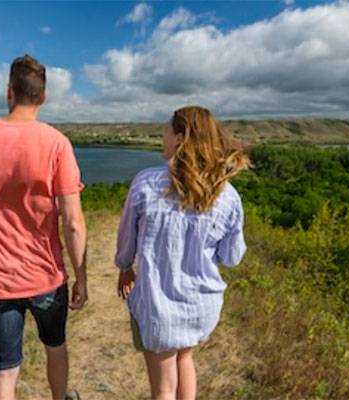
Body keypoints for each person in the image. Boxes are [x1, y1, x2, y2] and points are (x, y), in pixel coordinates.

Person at [0, 54, 87, 400]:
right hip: (47, 277)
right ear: (43, 97)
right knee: (55, 346)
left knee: (6, 369)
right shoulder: (57, 143)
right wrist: (81, 276)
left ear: (8, 92)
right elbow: (72, 221)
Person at [114, 106, 249, 400]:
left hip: (157, 304)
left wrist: (125, 266)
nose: (162, 137)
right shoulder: (226, 193)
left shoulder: (146, 183)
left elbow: (127, 237)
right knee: (185, 358)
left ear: (179, 137)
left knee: (163, 387)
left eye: (165, 130)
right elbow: (231, 257)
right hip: (201, 304)